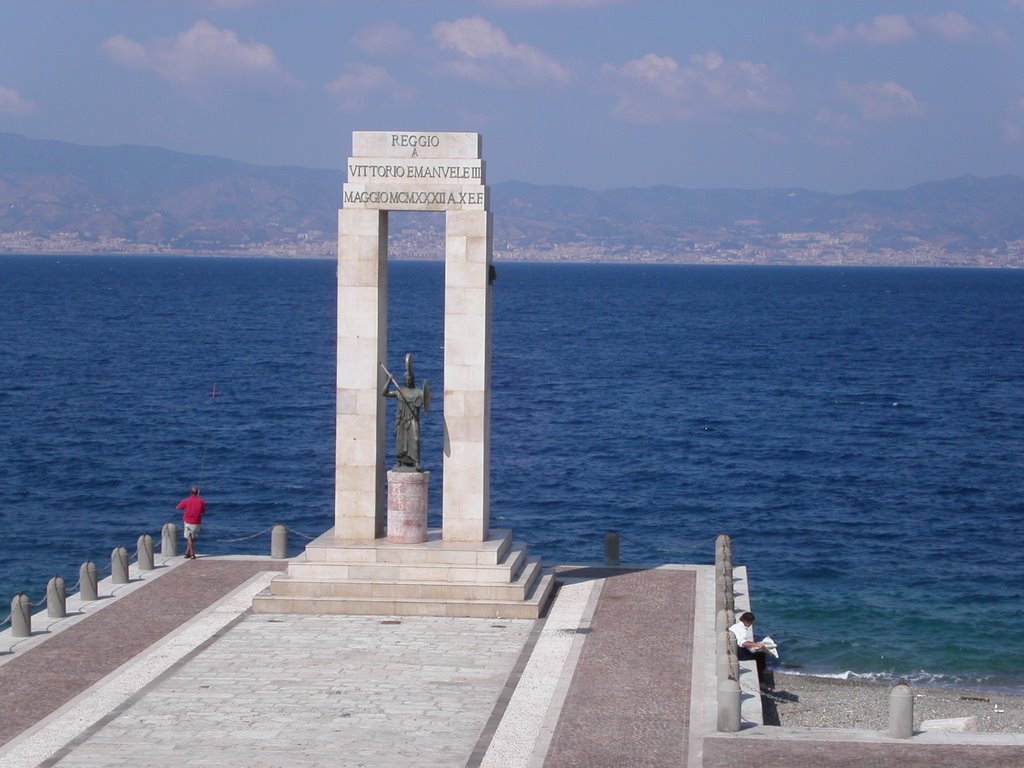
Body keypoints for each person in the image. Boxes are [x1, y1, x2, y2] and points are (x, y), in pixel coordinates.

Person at [382, 353, 430, 471]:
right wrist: (389, 380)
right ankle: (400, 461)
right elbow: (384, 393)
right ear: (404, 381)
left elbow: (426, 399)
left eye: (410, 379)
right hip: (401, 420)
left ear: (413, 380)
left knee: (416, 438)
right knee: (399, 440)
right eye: (406, 380)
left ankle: (416, 462)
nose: (408, 381)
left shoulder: (418, 392)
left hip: (412, 419)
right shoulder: (399, 391)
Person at [729, 611, 772, 687]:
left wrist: (752, 644)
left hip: (732, 649)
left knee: (756, 652)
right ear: (746, 621)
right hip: (739, 653)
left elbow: (740, 640)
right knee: (760, 655)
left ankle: (764, 671)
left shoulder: (735, 626)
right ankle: (761, 681)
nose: (751, 624)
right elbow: (742, 643)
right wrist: (757, 644)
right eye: (751, 622)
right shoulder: (742, 629)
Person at [177, 486, 206, 559]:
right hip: (197, 521)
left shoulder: (186, 500)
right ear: (197, 493)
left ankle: (192, 553)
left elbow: (178, 507)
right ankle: (187, 553)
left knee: (189, 537)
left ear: (190, 492)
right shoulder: (201, 501)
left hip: (187, 521)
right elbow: (203, 511)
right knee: (192, 537)